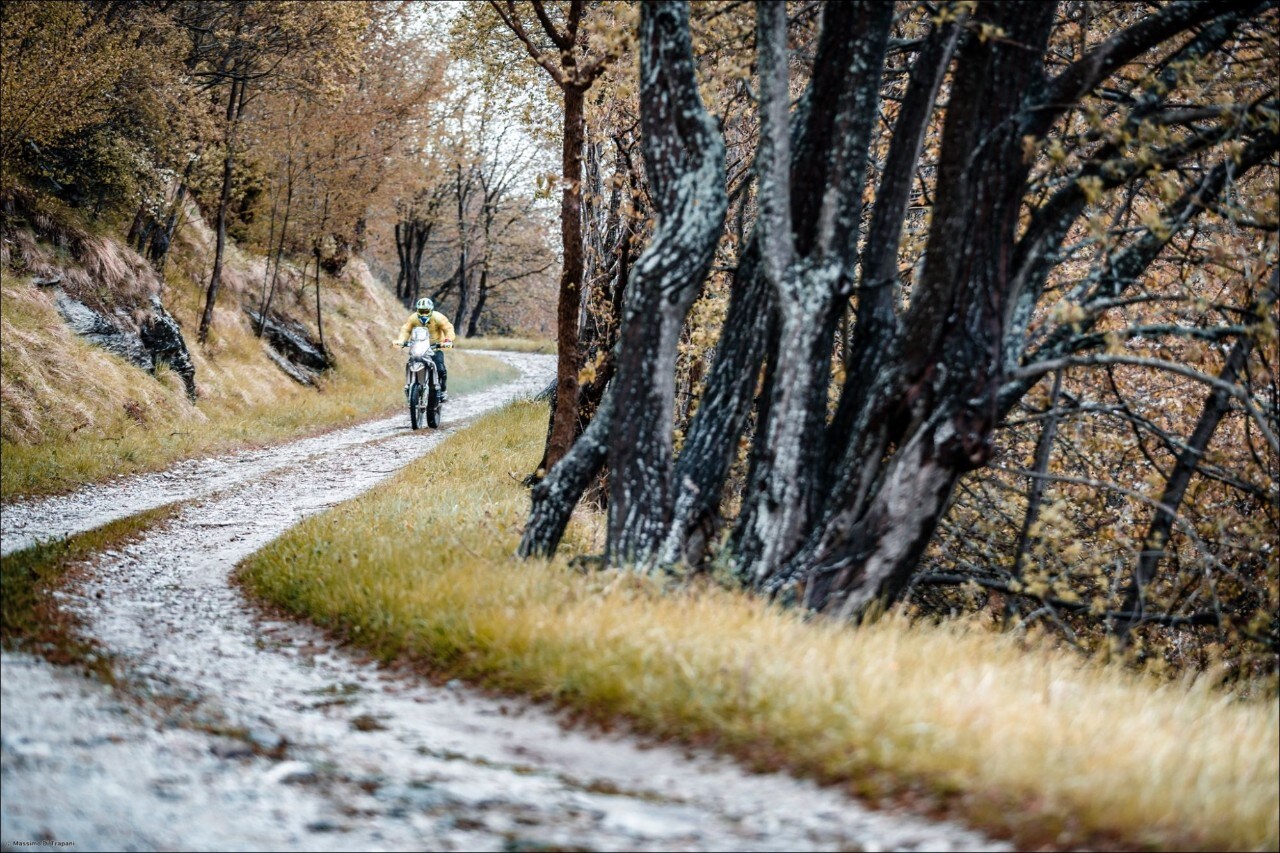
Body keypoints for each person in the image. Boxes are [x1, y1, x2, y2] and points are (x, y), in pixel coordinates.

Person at [394, 297, 455, 401]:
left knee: (440, 369)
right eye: (421, 311)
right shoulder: (413, 318)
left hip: (435, 347)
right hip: (418, 346)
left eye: (426, 311)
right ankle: (409, 385)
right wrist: (401, 340)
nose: (423, 314)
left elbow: (448, 328)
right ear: (417, 311)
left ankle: (443, 391)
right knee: (410, 363)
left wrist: (448, 340)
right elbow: (406, 329)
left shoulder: (438, 317)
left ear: (431, 310)